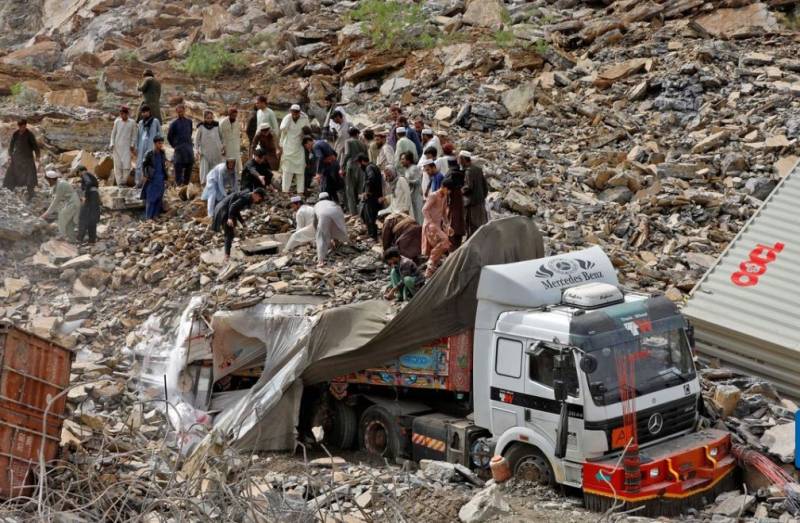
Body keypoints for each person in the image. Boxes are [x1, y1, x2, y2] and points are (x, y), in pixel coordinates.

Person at [212, 188, 267, 261]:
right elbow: (233, 206)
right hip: (223, 210)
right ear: (255, 194)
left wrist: (242, 222)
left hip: (226, 208)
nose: (258, 201)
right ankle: (226, 256)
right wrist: (229, 218)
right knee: (229, 233)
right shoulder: (246, 197)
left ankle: (227, 253)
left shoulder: (248, 196)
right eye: (259, 198)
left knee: (231, 231)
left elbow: (236, 209)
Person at [422, 178, 452, 279]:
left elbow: (444, 213)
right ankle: (430, 262)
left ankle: (429, 272)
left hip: (437, 226)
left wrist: (448, 225)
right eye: (448, 190)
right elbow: (424, 210)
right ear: (443, 187)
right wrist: (431, 223)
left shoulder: (444, 197)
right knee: (445, 241)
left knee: (442, 246)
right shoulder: (433, 195)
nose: (449, 192)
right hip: (430, 226)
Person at [4, 118, 41, 200]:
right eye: (21, 127)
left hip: (27, 158)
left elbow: (35, 146)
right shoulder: (15, 134)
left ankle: (31, 192)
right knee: (11, 172)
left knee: (30, 175)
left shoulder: (29, 134)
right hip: (17, 157)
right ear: (19, 126)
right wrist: (10, 155)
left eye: (24, 126)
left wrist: (38, 156)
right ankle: (7, 189)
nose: (23, 128)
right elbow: (11, 145)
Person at [279, 104, 310, 194]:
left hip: (299, 147)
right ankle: (285, 191)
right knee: (287, 171)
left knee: (300, 171)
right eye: (293, 112)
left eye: (297, 112)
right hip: (288, 147)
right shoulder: (287, 118)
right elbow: (282, 129)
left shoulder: (304, 118)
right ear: (291, 112)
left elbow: (308, 130)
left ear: (299, 112)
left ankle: (300, 191)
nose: (295, 114)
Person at [41, 170, 79, 240]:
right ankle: (72, 239)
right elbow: (51, 192)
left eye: (48, 180)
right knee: (69, 222)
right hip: (69, 202)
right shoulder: (57, 183)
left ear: (51, 179)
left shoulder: (61, 185)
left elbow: (56, 201)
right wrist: (41, 193)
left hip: (73, 202)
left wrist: (45, 214)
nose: (47, 182)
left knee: (62, 215)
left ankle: (62, 235)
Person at [313, 192, 347, 266]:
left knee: (321, 237)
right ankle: (337, 241)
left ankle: (320, 260)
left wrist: (317, 231)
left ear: (319, 199)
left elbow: (315, 221)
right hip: (337, 213)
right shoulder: (333, 203)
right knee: (335, 227)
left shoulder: (316, 205)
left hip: (323, 216)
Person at [461, 151, 489, 238]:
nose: (459, 162)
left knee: (472, 227)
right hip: (480, 202)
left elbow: (469, 187)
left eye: (460, 160)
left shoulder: (468, 172)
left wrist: (461, 191)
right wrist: (482, 197)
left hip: (472, 204)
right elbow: (485, 186)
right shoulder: (478, 169)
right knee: (481, 225)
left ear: (463, 160)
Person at [141, 135, 168, 220]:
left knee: (159, 198)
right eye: (159, 143)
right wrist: (145, 175)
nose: (161, 145)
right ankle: (148, 217)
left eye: (161, 143)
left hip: (160, 178)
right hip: (152, 178)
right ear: (155, 143)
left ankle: (155, 216)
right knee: (151, 198)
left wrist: (165, 177)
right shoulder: (149, 153)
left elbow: (163, 165)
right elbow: (144, 164)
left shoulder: (162, 153)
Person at [109, 106, 137, 187]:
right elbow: (113, 134)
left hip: (127, 148)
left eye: (124, 114)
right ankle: (119, 183)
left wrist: (132, 145)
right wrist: (112, 143)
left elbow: (134, 135)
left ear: (127, 114)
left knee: (126, 166)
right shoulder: (117, 122)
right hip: (117, 147)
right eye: (121, 114)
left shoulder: (132, 122)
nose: (122, 115)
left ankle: (124, 181)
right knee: (117, 166)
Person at [167, 103, 194, 186]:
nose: (180, 113)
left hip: (188, 148)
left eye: (181, 112)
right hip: (179, 149)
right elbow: (169, 137)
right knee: (178, 166)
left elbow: (190, 133)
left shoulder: (189, 122)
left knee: (189, 166)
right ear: (176, 112)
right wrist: (175, 145)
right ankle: (179, 186)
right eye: (178, 112)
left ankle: (186, 186)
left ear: (184, 111)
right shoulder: (174, 124)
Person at [342, 127, 367, 215]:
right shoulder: (362, 143)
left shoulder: (348, 141)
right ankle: (362, 211)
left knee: (350, 190)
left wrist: (342, 166)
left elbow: (347, 154)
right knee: (360, 189)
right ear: (357, 134)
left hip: (351, 166)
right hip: (361, 167)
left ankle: (353, 212)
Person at [195, 110, 224, 185]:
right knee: (205, 169)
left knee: (216, 168)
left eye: (211, 118)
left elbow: (222, 137)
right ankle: (204, 184)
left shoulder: (217, 125)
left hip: (216, 151)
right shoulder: (200, 127)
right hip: (205, 152)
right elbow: (196, 140)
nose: (209, 119)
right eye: (207, 118)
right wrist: (197, 150)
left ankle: (215, 184)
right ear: (204, 118)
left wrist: (222, 147)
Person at [135, 106, 161, 187]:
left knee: (151, 164)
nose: (144, 113)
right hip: (141, 146)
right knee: (139, 164)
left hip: (151, 145)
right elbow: (138, 136)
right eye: (143, 112)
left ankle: (150, 183)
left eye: (146, 112)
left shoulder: (155, 121)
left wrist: (159, 146)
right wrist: (136, 147)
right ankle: (138, 183)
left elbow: (159, 133)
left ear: (149, 112)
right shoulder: (140, 123)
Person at [359, 155, 382, 240]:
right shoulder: (373, 166)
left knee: (369, 216)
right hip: (374, 195)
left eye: (359, 164)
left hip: (372, 196)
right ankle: (371, 234)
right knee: (367, 215)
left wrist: (366, 192)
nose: (359, 166)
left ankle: (373, 236)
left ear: (362, 162)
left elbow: (371, 178)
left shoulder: (369, 168)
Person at [311, 139, 341, 204]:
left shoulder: (315, 146)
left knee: (325, 189)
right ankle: (337, 203)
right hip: (334, 167)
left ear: (308, 143)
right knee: (332, 188)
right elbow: (335, 154)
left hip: (327, 169)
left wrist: (318, 173)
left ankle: (326, 204)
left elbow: (320, 157)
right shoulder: (323, 143)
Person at [76, 166, 100, 244]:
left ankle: (79, 239)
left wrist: (84, 196)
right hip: (95, 196)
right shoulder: (91, 175)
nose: (79, 175)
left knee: (83, 217)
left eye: (78, 173)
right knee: (92, 218)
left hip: (90, 196)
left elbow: (88, 183)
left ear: (80, 171)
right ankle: (92, 240)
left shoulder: (85, 174)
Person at [444, 166, 466, 250]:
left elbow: (451, 208)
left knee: (453, 241)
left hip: (454, 220)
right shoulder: (458, 190)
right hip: (458, 221)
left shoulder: (452, 193)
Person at [399, 152, 423, 224]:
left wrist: (407, 181)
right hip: (412, 195)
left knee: (418, 214)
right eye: (401, 159)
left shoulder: (413, 168)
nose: (401, 161)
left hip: (417, 195)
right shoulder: (407, 169)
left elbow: (418, 181)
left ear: (408, 160)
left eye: (403, 159)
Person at [220, 107, 242, 174]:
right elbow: (220, 136)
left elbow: (238, 134)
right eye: (233, 115)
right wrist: (222, 148)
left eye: (235, 116)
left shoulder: (237, 122)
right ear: (229, 114)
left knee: (237, 162)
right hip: (227, 146)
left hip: (235, 146)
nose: (234, 117)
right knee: (226, 162)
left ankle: (237, 177)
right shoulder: (223, 123)